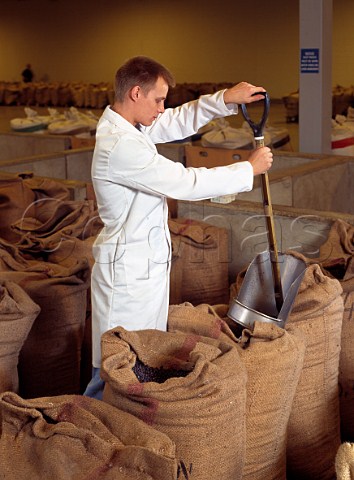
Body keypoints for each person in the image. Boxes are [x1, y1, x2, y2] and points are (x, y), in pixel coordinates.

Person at [84, 55, 273, 399]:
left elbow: (175, 120)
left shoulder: (130, 126)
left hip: (141, 268)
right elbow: (184, 182)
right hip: (127, 277)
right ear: (136, 93)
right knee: (113, 368)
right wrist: (247, 169)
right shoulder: (120, 145)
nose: (162, 108)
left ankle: (115, 433)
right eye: (158, 99)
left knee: (135, 362)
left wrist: (224, 100)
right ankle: (86, 435)